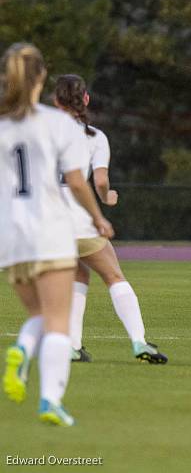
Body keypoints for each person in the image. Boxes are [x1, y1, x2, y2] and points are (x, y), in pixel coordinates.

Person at [1, 43, 114, 425]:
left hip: (12, 236)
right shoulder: (57, 124)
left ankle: (22, 350)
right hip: (49, 228)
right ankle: (49, 399)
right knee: (58, 321)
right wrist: (97, 217)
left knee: (38, 313)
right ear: (42, 79)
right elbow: (78, 182)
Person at [53, 74, 167, 364]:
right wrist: (106, 199)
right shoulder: (94, 137)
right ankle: (139, 341)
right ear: (86, 99)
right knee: (113, 276)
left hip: (47, 222)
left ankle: (72, 346)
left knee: (79, 274)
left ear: (55, 101)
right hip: (79, 217)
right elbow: (100, 181)